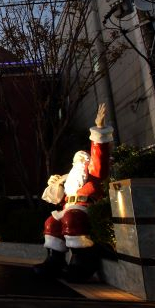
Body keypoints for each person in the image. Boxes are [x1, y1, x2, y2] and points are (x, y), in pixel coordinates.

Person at [35, 104, 114, 281]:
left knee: (73, 219)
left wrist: (99, 129)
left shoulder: (93, 172)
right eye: (76, 160)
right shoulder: (70, 177)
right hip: (68, 206)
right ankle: (55, 260)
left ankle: (83, 261)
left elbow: (99, 156)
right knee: (51, 222)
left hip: (85, 207)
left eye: (82, 159)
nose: (79, 162)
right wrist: (55, 184)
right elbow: (55, 199)